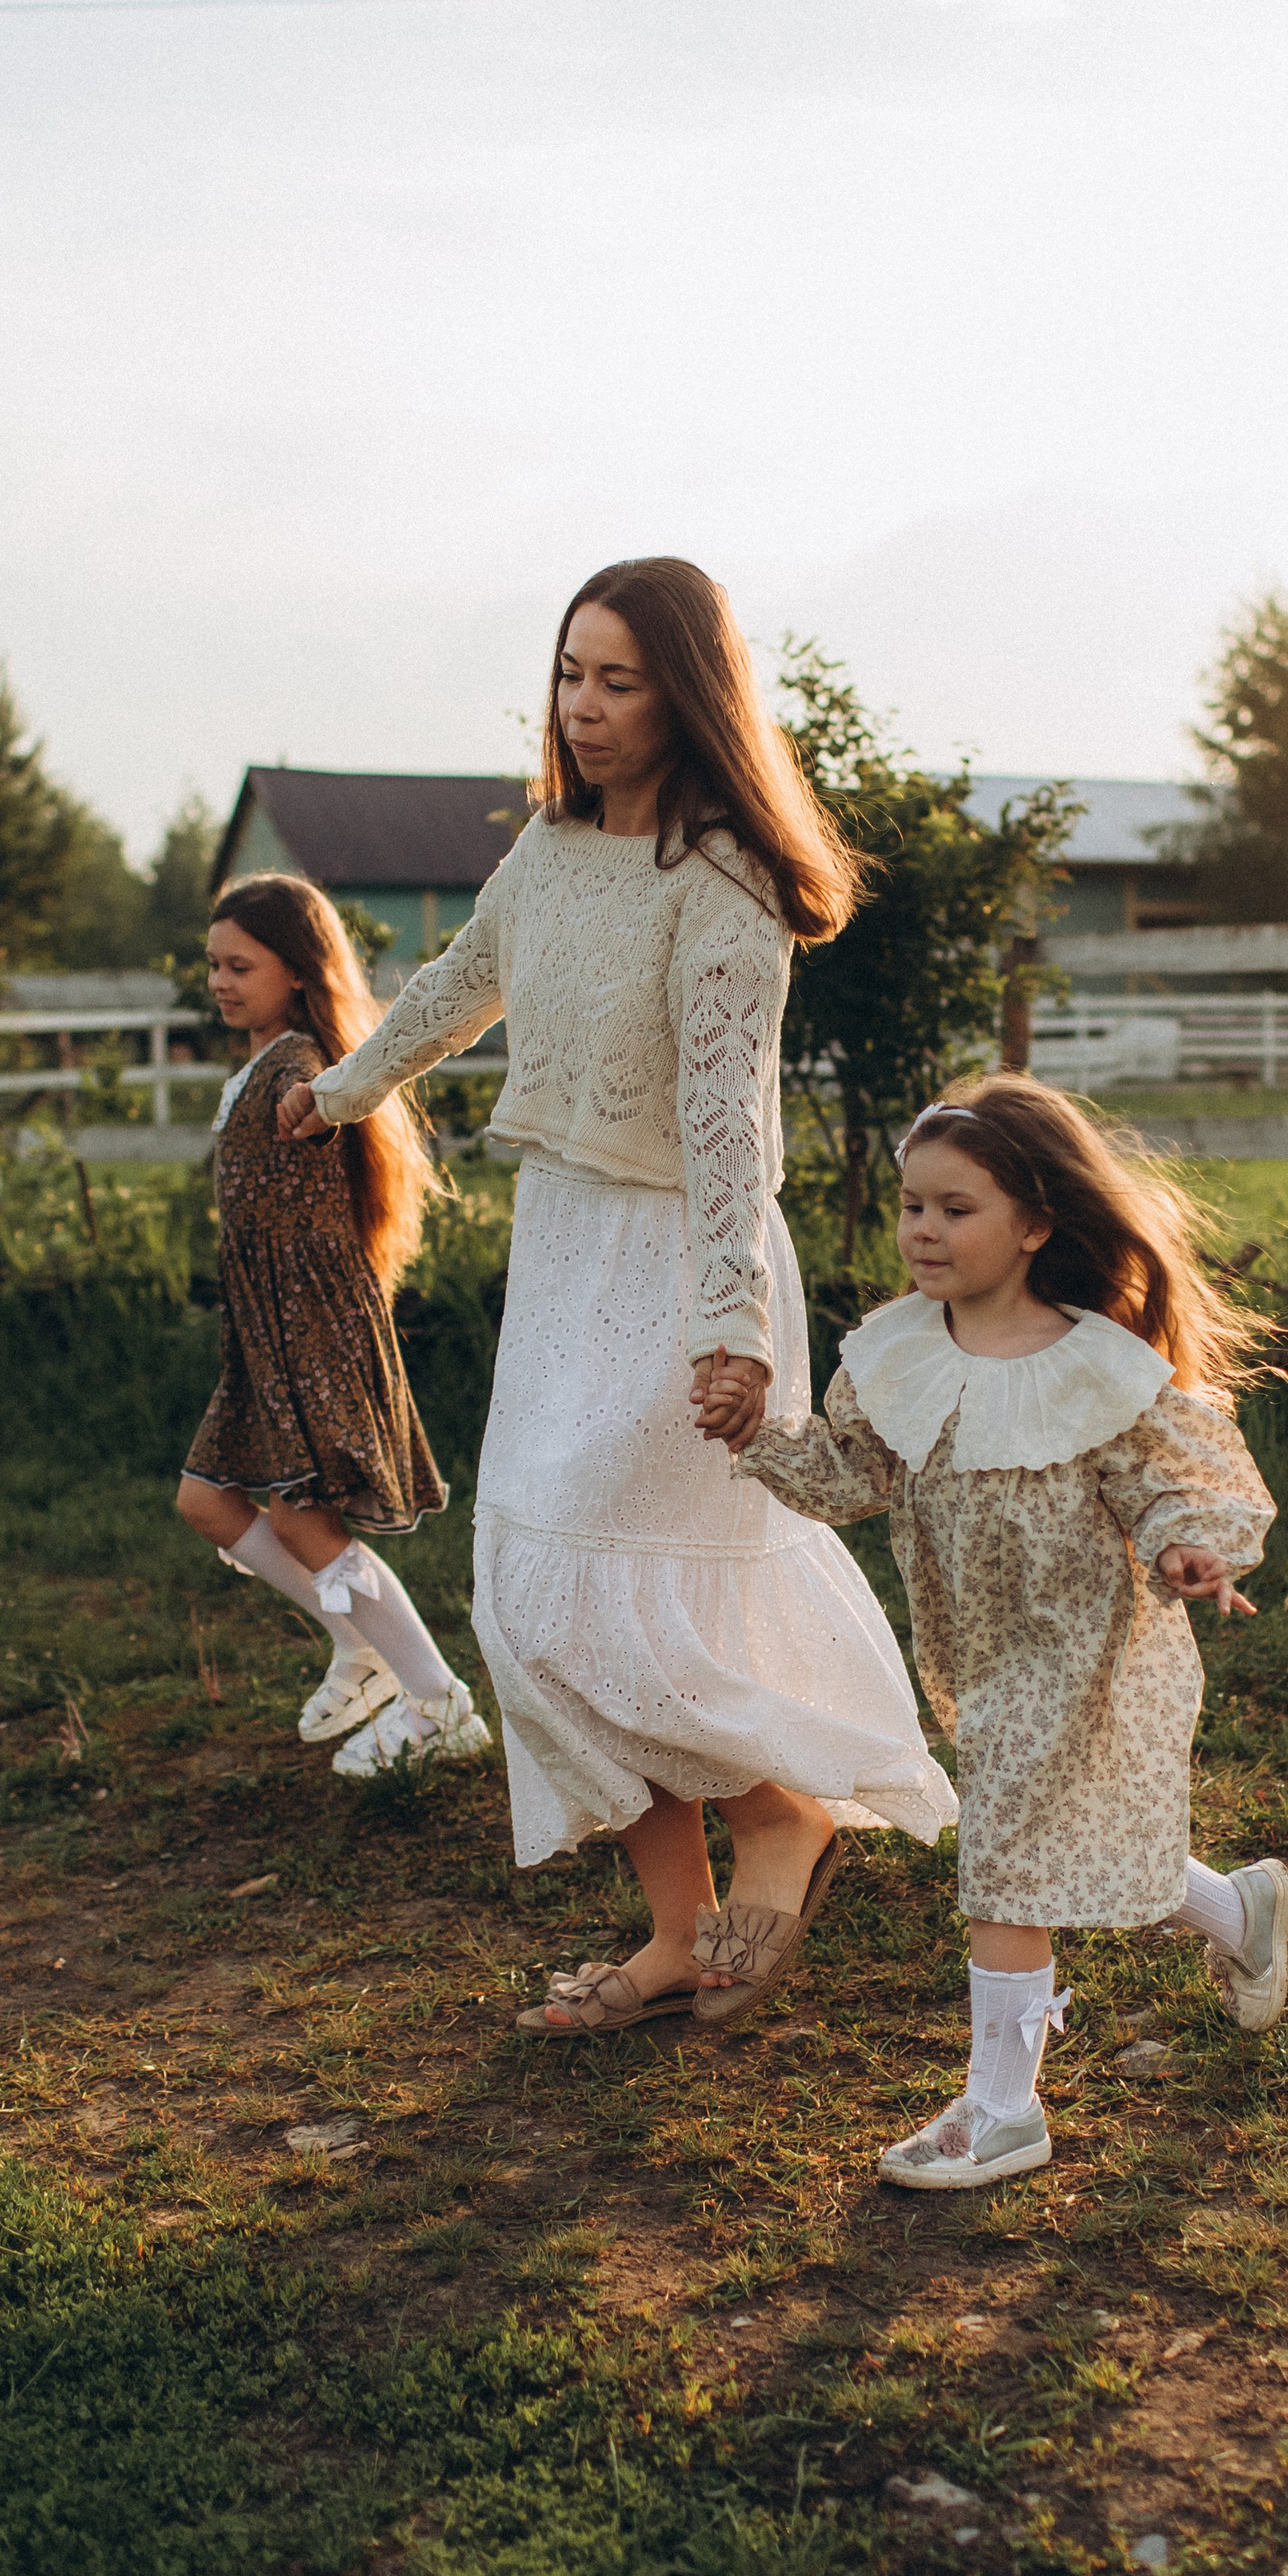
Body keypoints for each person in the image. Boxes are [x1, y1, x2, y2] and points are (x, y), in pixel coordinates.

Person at [278, 558, 954, 2027]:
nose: (583, 709)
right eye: (570, 675)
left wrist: (738, 1328)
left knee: (617, 1589)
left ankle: (782, 1811)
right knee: (533, 1595)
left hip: (680, 1269)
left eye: (619, 680)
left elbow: (730, 1125)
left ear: (688, 694)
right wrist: (344, 1089)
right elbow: (463, 979)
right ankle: (678, 1928)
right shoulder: (552, 849)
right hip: (567, 1247)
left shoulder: (723, 884)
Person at [708, 1073, 1288, 2188]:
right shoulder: (895, 1353)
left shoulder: (1096, 1366)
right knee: (1056, 1838)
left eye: (955, 1208)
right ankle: (1238, 1908)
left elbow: (1167, 1481)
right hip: (980, 1649)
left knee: (1010, 1860)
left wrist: (1189, 1547)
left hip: (1086, 1650)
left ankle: (1003, 2108)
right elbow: (852, 1475)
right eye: (911, 1206)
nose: (924, 1230)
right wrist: (759, 1434)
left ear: (1034, 1225)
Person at [175, 875, 491, 1776]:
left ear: (298, 971)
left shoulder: (301, 1069)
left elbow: (323, 1106)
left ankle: (436, 1701)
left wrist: (318, 1104)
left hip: (309, 1329)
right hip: (263, 1333)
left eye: (242, 965)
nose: (222, 982)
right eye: (214, 965)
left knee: (304, 1519)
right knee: (207, 1499)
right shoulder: (259, 1060)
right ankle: (362, 1650)